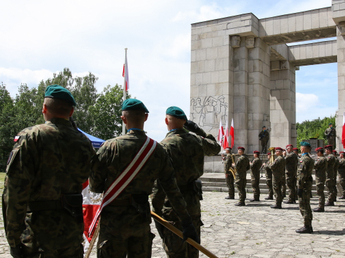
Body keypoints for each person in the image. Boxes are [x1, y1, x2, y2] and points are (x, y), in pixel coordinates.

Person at [90, 99, 198, 258]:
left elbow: (96, 187)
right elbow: (172, 189)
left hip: (113, 221)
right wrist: (186, 222)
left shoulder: (109, 147)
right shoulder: (157, 150)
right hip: (140, 219)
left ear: (123, 119)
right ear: (146, 118)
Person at [2, 85, 96, 257]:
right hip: (71, 234)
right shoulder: (84, 142)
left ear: (44, 108)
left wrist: (14, 239)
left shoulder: (31, 137)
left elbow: (14, 193)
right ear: (72, 111)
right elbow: (91, 182)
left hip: (39, 236)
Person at [152, 106, 220, 258]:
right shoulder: (197, 140)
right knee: (192, 248)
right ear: (185, 122)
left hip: (172, 206)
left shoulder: (164, 146)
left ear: (166, 121)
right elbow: (216, 148)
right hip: (192, 203)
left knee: (175, 251)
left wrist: (156, 212)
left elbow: (159, 184)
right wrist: (199, 131)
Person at [296, 141, 314, 233]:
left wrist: (299, 187)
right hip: (307, 184)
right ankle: (308, 225)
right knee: (306, 204)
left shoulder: (304, 159)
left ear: (303, 148)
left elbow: (301, 175)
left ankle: (307, 226)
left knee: (304, 205)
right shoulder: (310, 159)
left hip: (304, 185)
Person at [313, 147, 327, 212]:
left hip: (320, 176)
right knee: (320, 191)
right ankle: (321, 206)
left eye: (317, 152)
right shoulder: (323, 158)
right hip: (321, 176)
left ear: (319, 152)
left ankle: (321, 206)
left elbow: (315, 166)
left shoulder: (321, 159)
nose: (316, 154)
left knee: (320, 192)